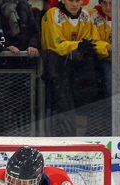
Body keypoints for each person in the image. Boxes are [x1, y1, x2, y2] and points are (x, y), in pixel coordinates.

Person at [41, 0, 101, 136]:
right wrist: (77, 46)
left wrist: (80, 47)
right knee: (60, 104)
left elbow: (87, 42)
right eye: (70, 0)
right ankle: (62, 138)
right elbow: (56, 45)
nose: (74, 4)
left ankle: (82, 136)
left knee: (81, 102)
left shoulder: (85, 15)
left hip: (77, 68)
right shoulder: (52, 14)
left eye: (77, 0)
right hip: (56, 67)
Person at [90, 0, 120, 109]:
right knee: (110, 76)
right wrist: (107, 47)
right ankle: (112, 111)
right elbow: (93, 41)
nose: (108, 7)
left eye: (112, 3)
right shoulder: (93, 15)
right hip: (99, 60)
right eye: (104, 3)